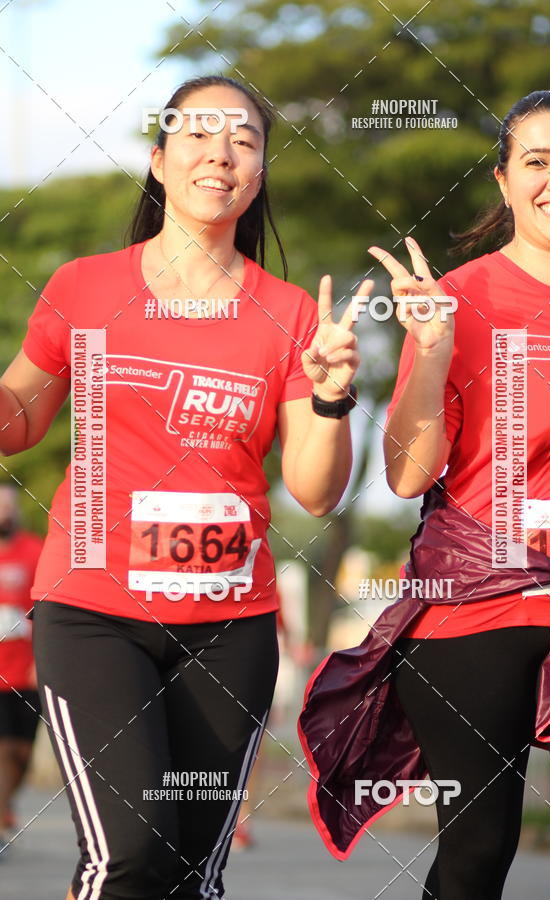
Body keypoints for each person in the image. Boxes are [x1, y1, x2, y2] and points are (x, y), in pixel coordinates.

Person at [0, 75, 372, 899]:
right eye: (199, 135)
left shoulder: (291, 316)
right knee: (127, 854)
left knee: (189, 875)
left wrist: (331, 395)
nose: (222, 153)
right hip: (96, 610)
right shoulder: (85, 289)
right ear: (160, 159)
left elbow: (315, 491)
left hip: (228, 627)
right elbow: (15, 424)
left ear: (261, 172)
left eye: (244, 140)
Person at [299, 90, 550, 899]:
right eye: (536, 161)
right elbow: (405, 475)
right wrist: (428, 350)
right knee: (476, 856)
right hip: (475, 603)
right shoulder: (457, 298)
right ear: (505, 184)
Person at [0, 484, 43, 853]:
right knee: (0, 749)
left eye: (7, 506)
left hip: (25, 670)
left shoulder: (34, 550)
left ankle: (5, 804)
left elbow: (48, 606)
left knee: (21, 753)